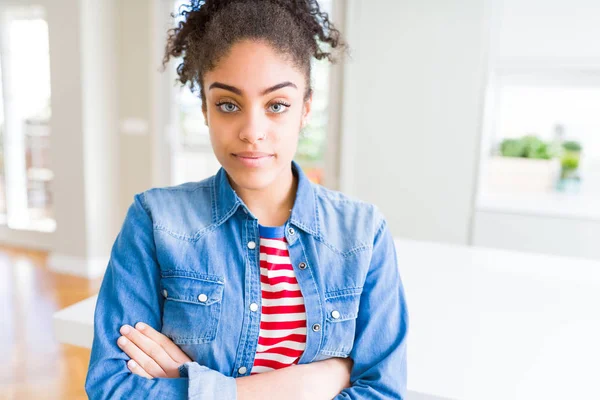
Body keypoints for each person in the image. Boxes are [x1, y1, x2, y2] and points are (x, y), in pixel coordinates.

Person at [85, 0, 409, 398]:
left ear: (304, 110)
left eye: (277, 106)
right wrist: (305, 383)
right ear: (205, 109)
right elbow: (111, 386)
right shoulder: (155, 221)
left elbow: (383, 391)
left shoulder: (363, 233)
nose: (252, 131)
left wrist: (196, 386)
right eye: (228, 105)